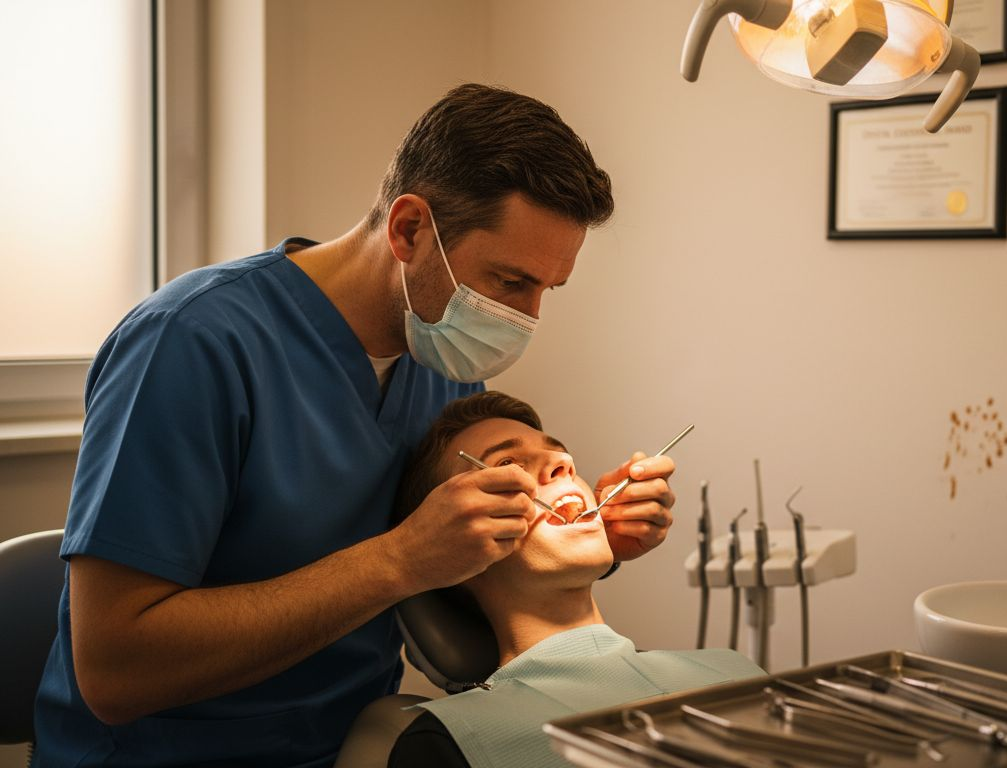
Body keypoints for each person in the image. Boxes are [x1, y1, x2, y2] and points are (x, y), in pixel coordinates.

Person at [34, 84, 678, 768]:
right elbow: (114, 670)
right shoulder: (191, 344)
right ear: (408, 230)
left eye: (548, 289)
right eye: (510, 282)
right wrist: (398, 559)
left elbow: (453, 585)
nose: (527, 318)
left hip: (361, 747)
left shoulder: (446, 360)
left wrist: (587, 534)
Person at [378, 392, 763, 767]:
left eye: (559, 453)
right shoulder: (452, 743)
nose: (563, 461)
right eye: (508, 463)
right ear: (451, 549)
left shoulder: (735, 675)